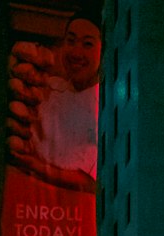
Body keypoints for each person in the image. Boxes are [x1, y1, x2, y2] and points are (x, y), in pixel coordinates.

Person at [6, 12, 102, 193]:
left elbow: (93, 183)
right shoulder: (48, 89)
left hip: (76, 211)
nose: (76, 52)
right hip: (29, 199)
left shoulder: (106, 105)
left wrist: (36, 167)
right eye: (71, 41)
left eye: (87, 44)